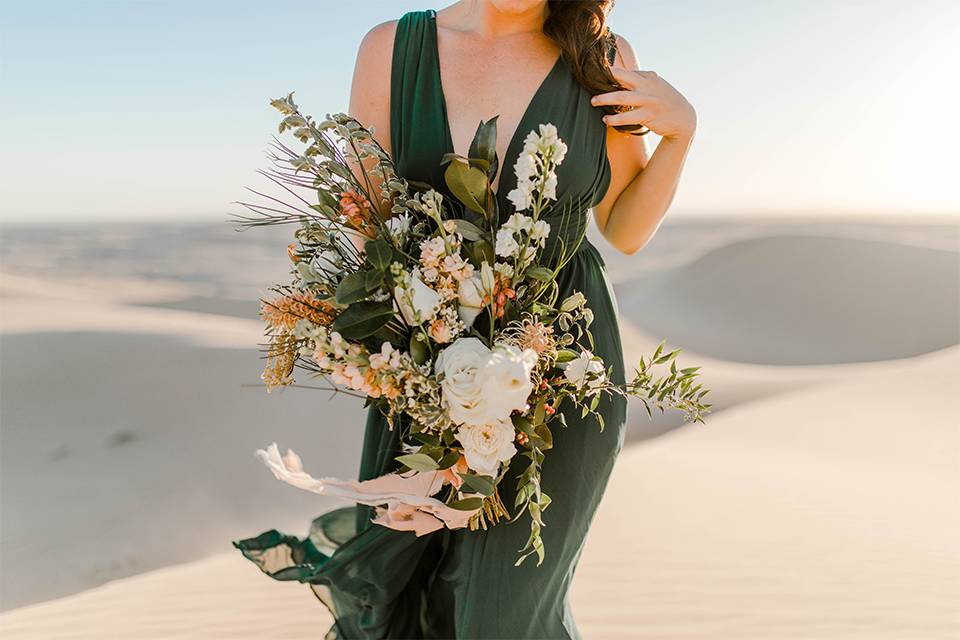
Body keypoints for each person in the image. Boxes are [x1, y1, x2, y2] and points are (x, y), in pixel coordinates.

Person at [235, 1, 695, 637]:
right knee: (413, 587)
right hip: (431, 367)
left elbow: (625, 228)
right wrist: (427, 398)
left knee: (505, 612)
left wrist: (680, 136)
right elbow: (374, 233)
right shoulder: (391, 51)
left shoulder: (601, 55)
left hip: (567, 368)